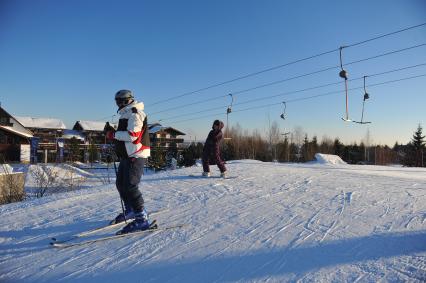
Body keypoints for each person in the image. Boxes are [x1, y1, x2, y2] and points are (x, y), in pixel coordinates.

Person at [105, 89, 152, 234]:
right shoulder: (126, 113)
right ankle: (131, 209)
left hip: (136, 154)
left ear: (128, 100)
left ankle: (141, 219)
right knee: (121, 184)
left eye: (121, 100)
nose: (118, 103)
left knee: (131, 186)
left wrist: (113, 134)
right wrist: (112, 133)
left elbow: (133, 135)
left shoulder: (135, 113)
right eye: (117, 101)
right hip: (128, 154)